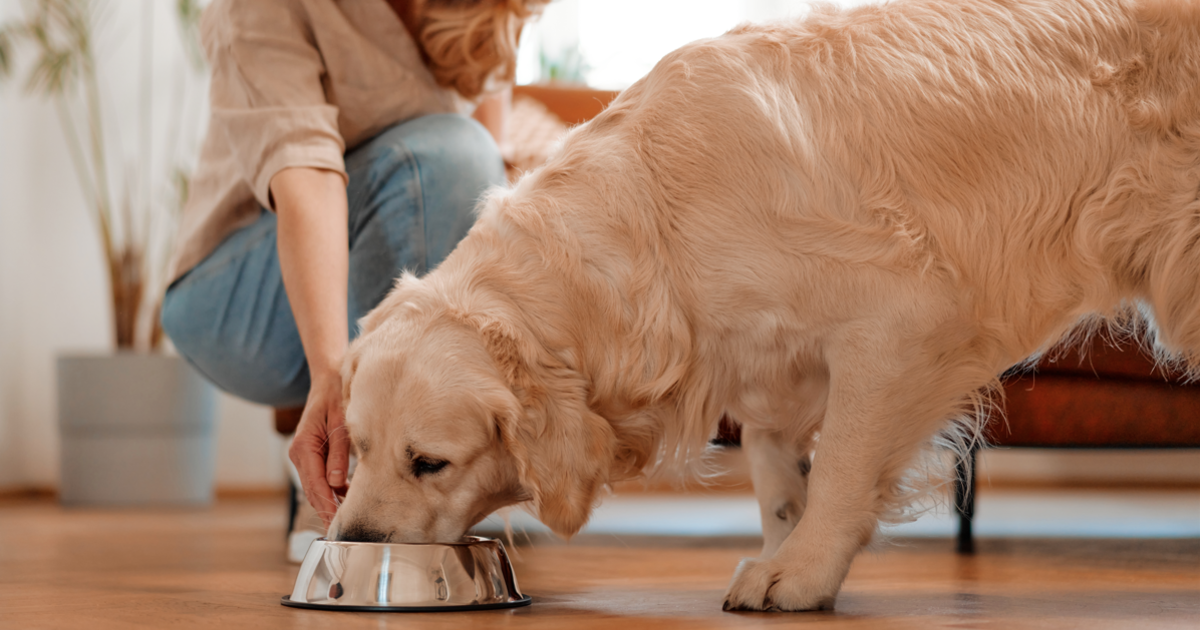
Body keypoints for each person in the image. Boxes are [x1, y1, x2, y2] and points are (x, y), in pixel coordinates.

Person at [161, 0, 547, 556]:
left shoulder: (487, 10)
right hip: (238, 298)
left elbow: (489, 196)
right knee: (445, 156)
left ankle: (399, 488)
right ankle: (345, 487)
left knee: (466, 157)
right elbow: (308, 177)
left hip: (378, 258)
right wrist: (333, 373)